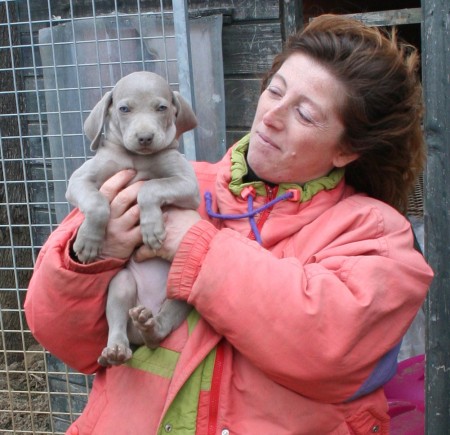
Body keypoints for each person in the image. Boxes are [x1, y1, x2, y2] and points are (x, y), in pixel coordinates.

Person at [25, 14, 433, 434]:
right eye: (274, 91)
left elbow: (327, 348)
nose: (272, 115)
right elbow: (62, 337)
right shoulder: (171, 183)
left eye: (305, 114)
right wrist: (94, 257)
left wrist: (196, 248)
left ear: (347, 150)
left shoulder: (375, 234)